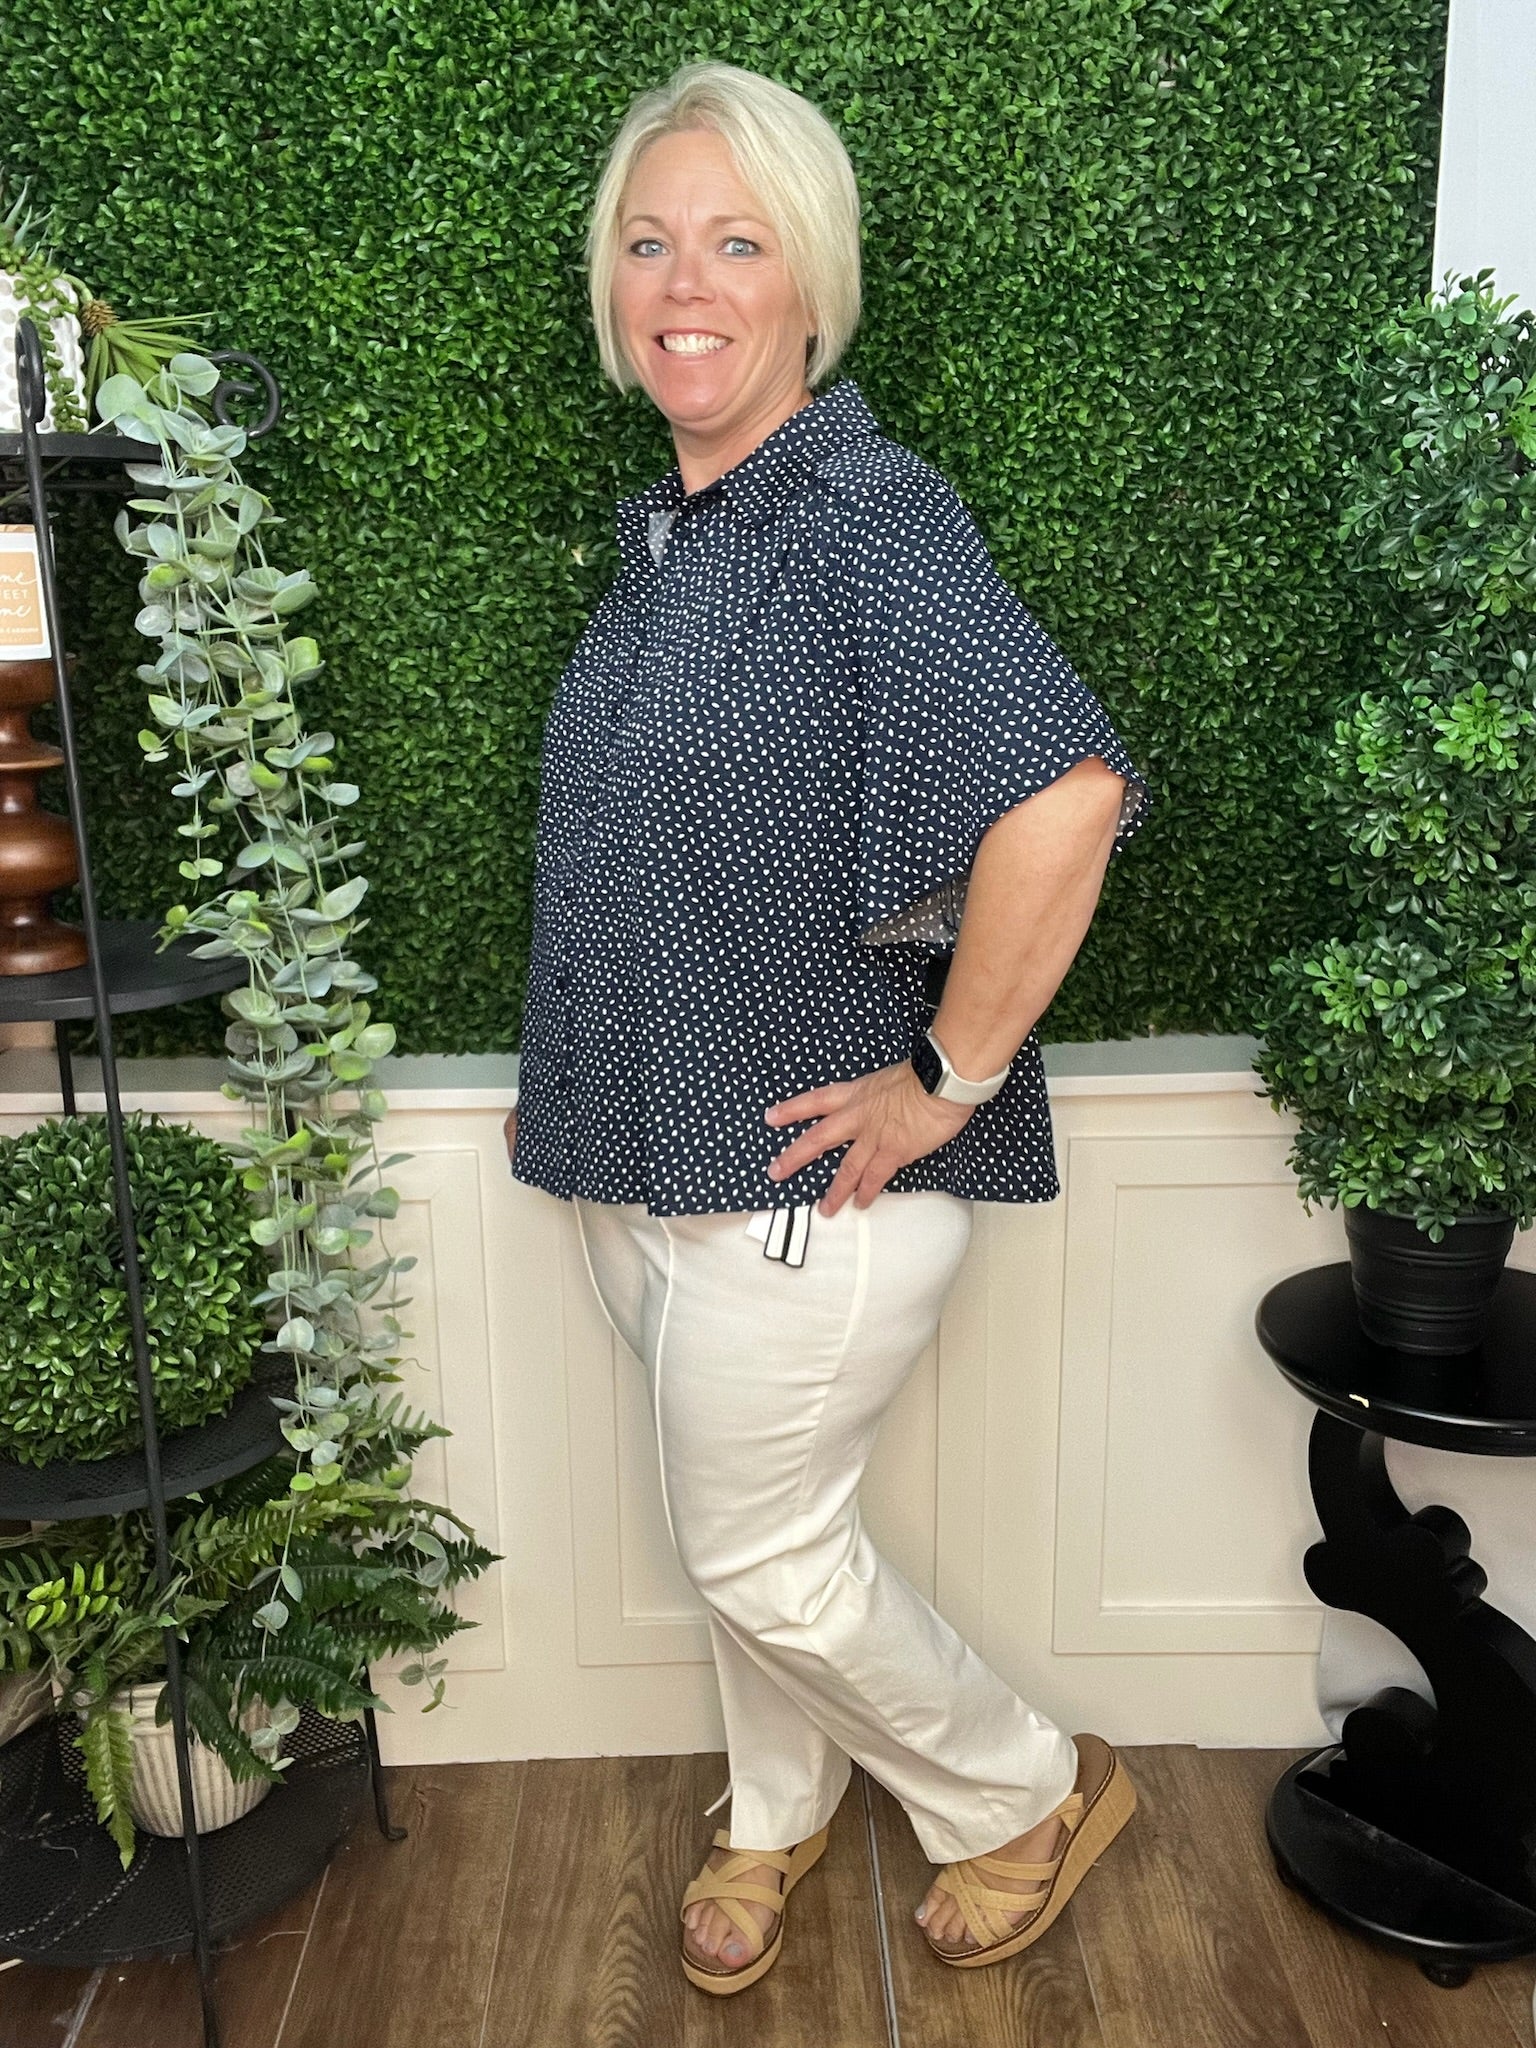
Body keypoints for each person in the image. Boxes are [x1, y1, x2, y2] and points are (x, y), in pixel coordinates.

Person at [504, 57, 1154, 1995]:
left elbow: (1066, 798)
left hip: (811, 1186)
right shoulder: (679, 533)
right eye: (649, 244)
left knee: (757, 1551)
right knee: (754, 1539)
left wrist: (948, 1079)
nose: (683, 284)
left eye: (736, 242)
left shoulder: (863, 512)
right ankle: (776, 1811)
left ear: (810, 282)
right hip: (649, 1160)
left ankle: (1026, 1788)